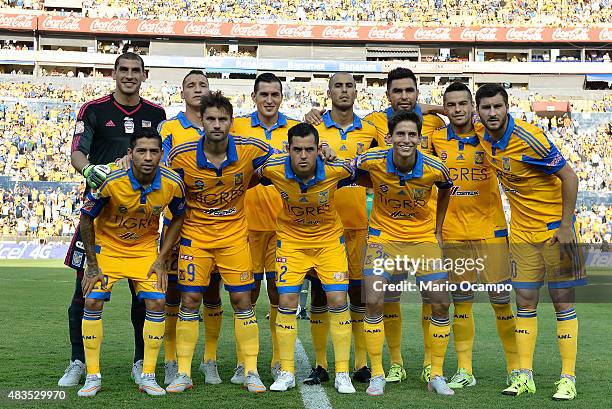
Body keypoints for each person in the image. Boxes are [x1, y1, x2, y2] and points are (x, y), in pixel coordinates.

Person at [61, 52, 166, 387]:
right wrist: (90, 171)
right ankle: (79, 361)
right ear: (113, 73)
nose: (130, 76)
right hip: (97, 215)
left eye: (136, 71)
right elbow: (77, 152)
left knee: (145, 296)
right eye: (124, 70)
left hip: (139, 221)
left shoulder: (156, 114)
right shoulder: (93, 110)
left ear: (145, 75)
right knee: (84, 290)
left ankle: (140, 362)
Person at [475, 84, 584, 401]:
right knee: (524, 303)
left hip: (554, 230)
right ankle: (524, 376)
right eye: (486, 108)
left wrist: (566, 225)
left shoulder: (528, 138)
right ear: (479, 110)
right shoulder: (482, 132)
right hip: (521, 233)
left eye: (498, 106)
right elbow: (453, 112)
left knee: (563, 302)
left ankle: (568, 378)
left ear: (507, 106)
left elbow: (571, 177)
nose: (492, 113)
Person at [165, 91, 276, 393]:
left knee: (243, 301)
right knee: (190, 301)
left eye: (222, 119)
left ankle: (250, 370)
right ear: (201, 120)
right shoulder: (181, 155)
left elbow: (281, 163)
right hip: (195, 239)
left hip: (234, 239)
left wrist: (321, 151)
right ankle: (184, 373)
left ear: (231, 122)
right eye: (210, 118)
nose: (216, 124)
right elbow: (167, 192)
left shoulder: (251, 149)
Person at [76, 129, 186, 397]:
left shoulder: (173, 182)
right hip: (109, 248)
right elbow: (86, 218)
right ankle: (93, 376)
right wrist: (92, 263)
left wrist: (162, 259)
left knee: (158, 302)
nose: (148, 157)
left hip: (144, 250)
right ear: (130, 154)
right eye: (141, 151)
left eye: (153, 151)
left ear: (161, 155)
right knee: (91, 301)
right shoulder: (110, 179)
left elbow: (180, 217)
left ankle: (148, 375)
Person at [354, 110, 454, 396]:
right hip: (382, 238)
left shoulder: (435, 167)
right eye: (400, 134)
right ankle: (377, 373)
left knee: (441, 303)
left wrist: (437, 228)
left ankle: (436, 373)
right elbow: (351, 171)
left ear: (420, 139)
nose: (406, 139)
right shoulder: (372, 160)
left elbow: (446, 189)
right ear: (389, 138)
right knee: (373, 301)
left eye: (412, 134)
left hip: (422, 239)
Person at [430, 82, 520, 390]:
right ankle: (465, 369)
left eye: (462, 104)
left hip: (491, 231)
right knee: (462, 303)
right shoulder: (435, 139)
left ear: (473, 107)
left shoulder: (490, 136)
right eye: (450, 104)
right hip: (454, 235)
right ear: (445, 108)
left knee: (501, 302)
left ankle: (515, 368)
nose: (457, 109)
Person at [255, 122, 356, 394]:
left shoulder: (335, 169)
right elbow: (253, 172)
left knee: (337, 300)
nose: (303, 155)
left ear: (318, 149)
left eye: (309, 149)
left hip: (328, 243)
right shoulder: (274, 168)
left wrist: (335, 154)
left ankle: (343, 373)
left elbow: (356, 170)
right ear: (287, 149)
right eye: (297, 149)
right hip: (291, 243)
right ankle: (287, 371)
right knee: (286, 301)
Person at [304, 72, 383, 385]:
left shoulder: (371, 130)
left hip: (360, 225)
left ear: (356, 91)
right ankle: (322, 365)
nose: (344, 90)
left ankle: (361, 364)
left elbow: (380, 171)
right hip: (321, 226)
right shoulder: (314, 126)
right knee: (322, 296)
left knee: (358, 295)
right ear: (329, 91)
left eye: (350, 85)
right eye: (338, 85)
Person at [229, 73, 300, 383]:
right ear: (254, 96)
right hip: (245, 226)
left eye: (275, 94)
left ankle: (274, 360)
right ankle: (244, 361)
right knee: (245, 295)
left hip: (283, 228)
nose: (269, 99)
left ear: (281, 97)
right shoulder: (238, 127)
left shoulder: (295, 129)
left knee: (278, 294)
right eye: (264, 94)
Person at [157, 70, 224, 386]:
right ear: (181, 92)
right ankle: (171, 360)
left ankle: (209, 359)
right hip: (179, 223)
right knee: (172, 293)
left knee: (212, 293)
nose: (197, 90)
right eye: (191, 85)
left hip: (216, 226)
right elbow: (162, 167)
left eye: (203, 85)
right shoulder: (170, 127)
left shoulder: (222, 125)